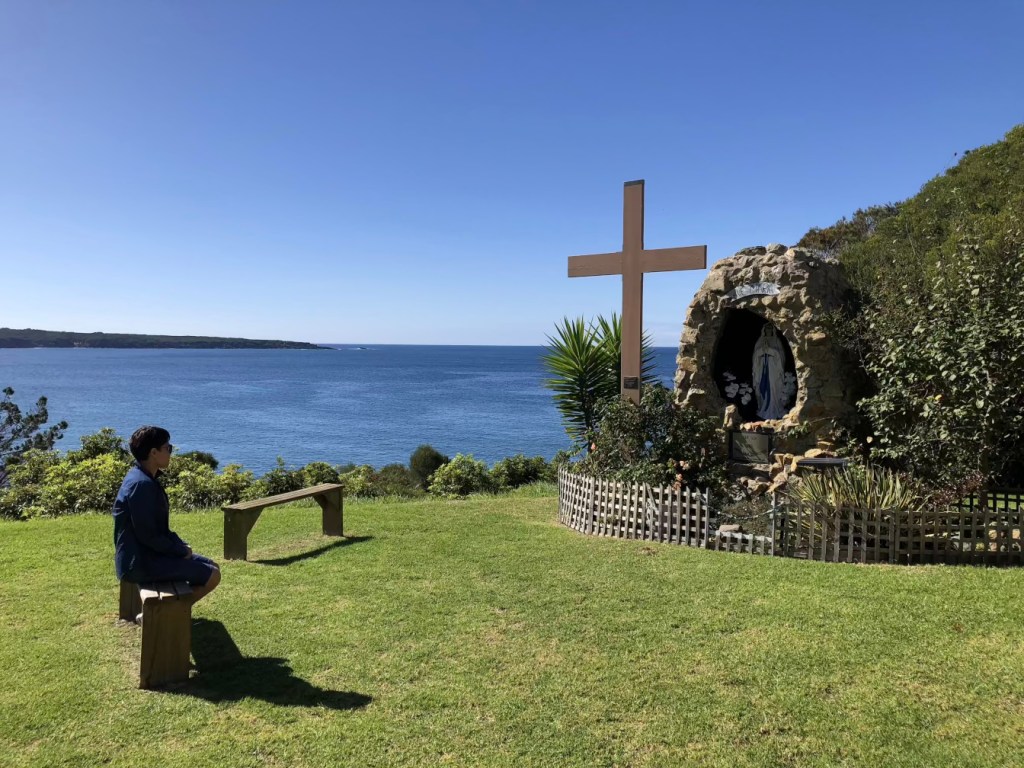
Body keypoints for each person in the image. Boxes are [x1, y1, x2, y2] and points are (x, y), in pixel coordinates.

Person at [113, 426, 220, 621]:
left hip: (144, 557)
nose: (170, 452)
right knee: (212, 575)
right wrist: (180, 551)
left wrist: (180, 547)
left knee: (213, 566)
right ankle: (160, 616)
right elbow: (148, 535)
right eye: (167, 448)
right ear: (154, 453)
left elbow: (157, 529)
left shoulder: (142, 477)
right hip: (141, 563)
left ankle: (164, 614)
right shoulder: (142, 485)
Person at [751, 324, 788, 420]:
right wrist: (762, 351)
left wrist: (770, 351)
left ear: (773, 330)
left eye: (770, 329)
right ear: (764, 330)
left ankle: (775, 409)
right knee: (762, 388)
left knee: (773, 387)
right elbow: (755, 356)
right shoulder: (760, 340)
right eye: (766, 329)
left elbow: (781, 356)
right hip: (762, 368)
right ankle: (764, 409)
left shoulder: (776, 341)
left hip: (773, 368)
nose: (768, 331)